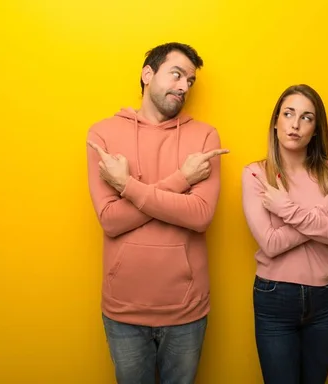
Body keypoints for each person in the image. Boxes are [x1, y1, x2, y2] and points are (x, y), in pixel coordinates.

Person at [85, 42, 228, 384]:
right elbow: (111, 220)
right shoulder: (103, 134)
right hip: (124, 310)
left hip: (187, 310)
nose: (183, 86)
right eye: (176, 74)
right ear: (147, 75)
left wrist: (127, 187)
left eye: (190, 81)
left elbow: (200, 215)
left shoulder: (205, 136)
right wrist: (182, 180)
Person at [241, 84, 328, 384]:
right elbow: (270, 243)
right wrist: (325, 209)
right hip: (275, 298)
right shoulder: (257, 174)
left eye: (306, 117)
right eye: (288, 114)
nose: (295, 124)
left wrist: (286, 210)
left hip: (326, 300)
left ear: (316, 130)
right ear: (276, 121)